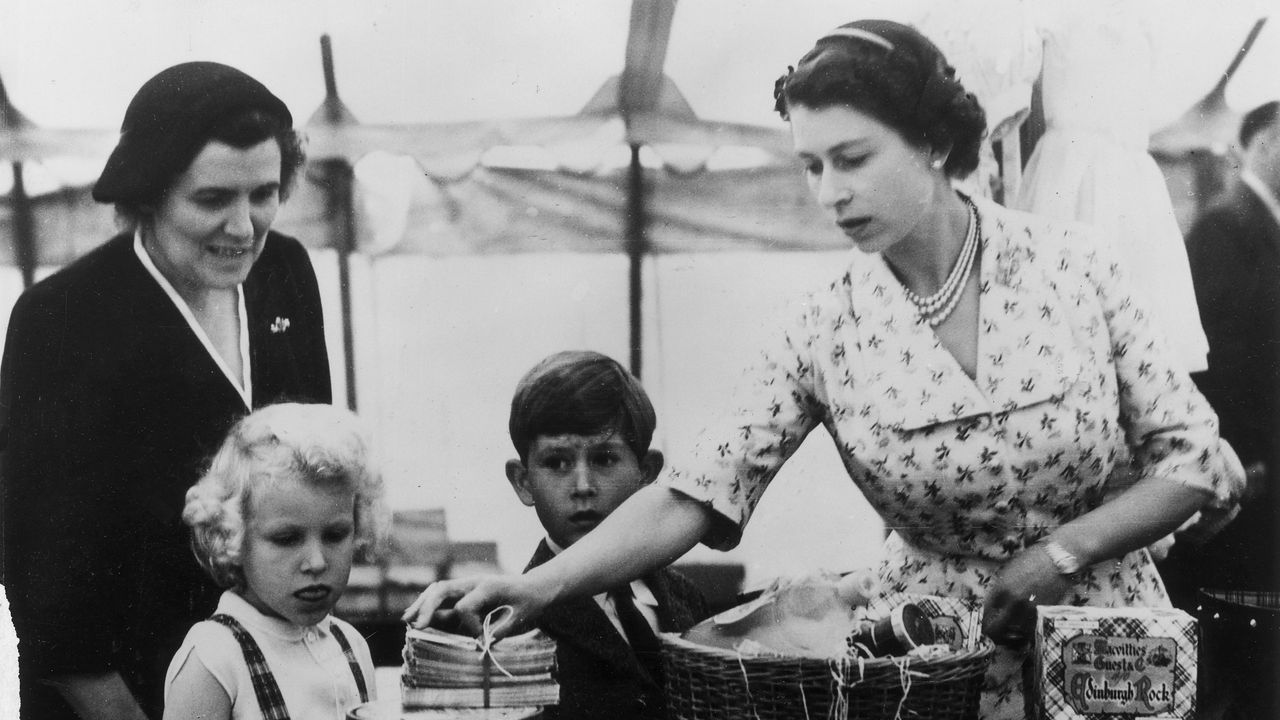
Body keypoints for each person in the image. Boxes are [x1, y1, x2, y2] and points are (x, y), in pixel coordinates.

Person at [404, 20, 1242, 720]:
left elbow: (1196, 461)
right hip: (932, 664)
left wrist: (1059, 554)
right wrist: (539, 586)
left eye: (852, 158)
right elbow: (694, 491)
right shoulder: (822, 326)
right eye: (810, 166)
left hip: (1110, 651)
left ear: (934, 142)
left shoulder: (1075, 265)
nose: (830, 192)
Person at [0, 62, 331, 720]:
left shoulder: (285, 274)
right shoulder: (64, 318)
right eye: (213, 200)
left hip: (267, 685)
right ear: (149, 194)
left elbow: (319, 475)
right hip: (120, 695)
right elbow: (46, 584)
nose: (245, 226)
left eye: (263, 193)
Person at [504, 351, 707, 720]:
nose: (583, 486)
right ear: (523, 482)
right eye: (557, 463)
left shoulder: (686, 600)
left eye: (604, 458)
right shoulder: (515, 627)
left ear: (646, 473)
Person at [1013, 0, 1209, 373]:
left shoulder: (1145, 18)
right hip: (1069, 169)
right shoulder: (1054, 11)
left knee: (1137, 312)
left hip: (1129, 172)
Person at [163, 402, 384, 720]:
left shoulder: (350, 646)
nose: (317, 562)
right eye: (287, 539)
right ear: (233, 537)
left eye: (335, 535)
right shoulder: (215, 659)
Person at [1160, 100, 1280, 608]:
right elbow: (1219, 357)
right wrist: (1251, 453)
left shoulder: (1263, 222)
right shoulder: (1225, 225)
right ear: (1258, 145)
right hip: (1247, 455)